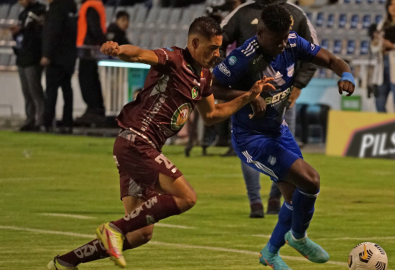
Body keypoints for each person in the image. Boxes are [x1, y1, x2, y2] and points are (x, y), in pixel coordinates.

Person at [46, 17, 272, 270]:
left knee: (141, 234)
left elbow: (212, 116)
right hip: (137, 141)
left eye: (219, 47)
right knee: (187, 197)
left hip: (141, 148)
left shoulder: (204, 78)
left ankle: (65, 262)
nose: (217, 54)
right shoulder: (174, 59)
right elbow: (140, 54)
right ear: (195, 43)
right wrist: (120, 50)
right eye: (212, 48)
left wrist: (248, 96)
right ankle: (113, 229)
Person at [212, 4, 355, 269]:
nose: (282, 46)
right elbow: (212, 87)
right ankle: (298, 237)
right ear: (260, 32)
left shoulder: (290, 41)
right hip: (251, 139)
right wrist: (248, 96)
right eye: (276, 41)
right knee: (311, 180)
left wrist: (346, 74)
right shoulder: (242, 58)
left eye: (285, 38)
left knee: (295, 199)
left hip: (278, 130)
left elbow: (332, 60)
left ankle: (270, 253)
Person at [219, 0, 319, 218]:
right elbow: (217, 39)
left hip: (284, 93)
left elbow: (313, 49)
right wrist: (228, 74)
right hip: (248, 95)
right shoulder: (243, 12)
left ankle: (276, 199)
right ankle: (255, 201)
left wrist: (299, 85)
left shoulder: (296, 13)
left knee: (287, 154)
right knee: (252, 145)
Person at [41, 0, 78, 133]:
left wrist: (46, 54)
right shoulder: (72, 9)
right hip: (69, 58)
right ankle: (67, 123)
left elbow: (52, 33)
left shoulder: (55, 10)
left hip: (56, 58)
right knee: (67, 90)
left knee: (51, 90)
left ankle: (47, 123)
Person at [11, 0, 46, 132]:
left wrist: (24, 30)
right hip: (22, 57)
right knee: (27, 92)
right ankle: (30, 119)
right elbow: (21, 37)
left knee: (35, 91)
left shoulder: (39, 12)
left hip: (33, 57)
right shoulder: (23, 14)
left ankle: (40, 120)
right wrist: (16, 34)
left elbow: (39, 34)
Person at [76, 0, 107, 123]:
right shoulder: (94, 5)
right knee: (93, 79)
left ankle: (93, 109)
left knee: (87, 81)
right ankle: (97, 109)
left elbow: (94, 29)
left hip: (88, 50)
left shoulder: (89, 6)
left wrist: (103, 43)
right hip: (91, 50)